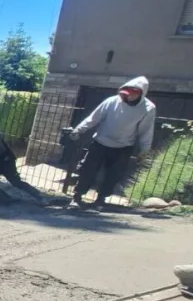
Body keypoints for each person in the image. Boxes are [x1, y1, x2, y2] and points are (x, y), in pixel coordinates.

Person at [67, 76, 156, 210]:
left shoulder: (148, 108)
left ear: (141, 93)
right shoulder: (111, 101)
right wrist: (79, 130)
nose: (128, 97)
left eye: (133, 94)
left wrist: (144, 150)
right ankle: (77, 197)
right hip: (100, 142)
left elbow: (146, 130)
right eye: (126, 94)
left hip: (123, 146)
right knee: (87, 170)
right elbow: (93, 118)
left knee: (113, 175)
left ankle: (100, 199)